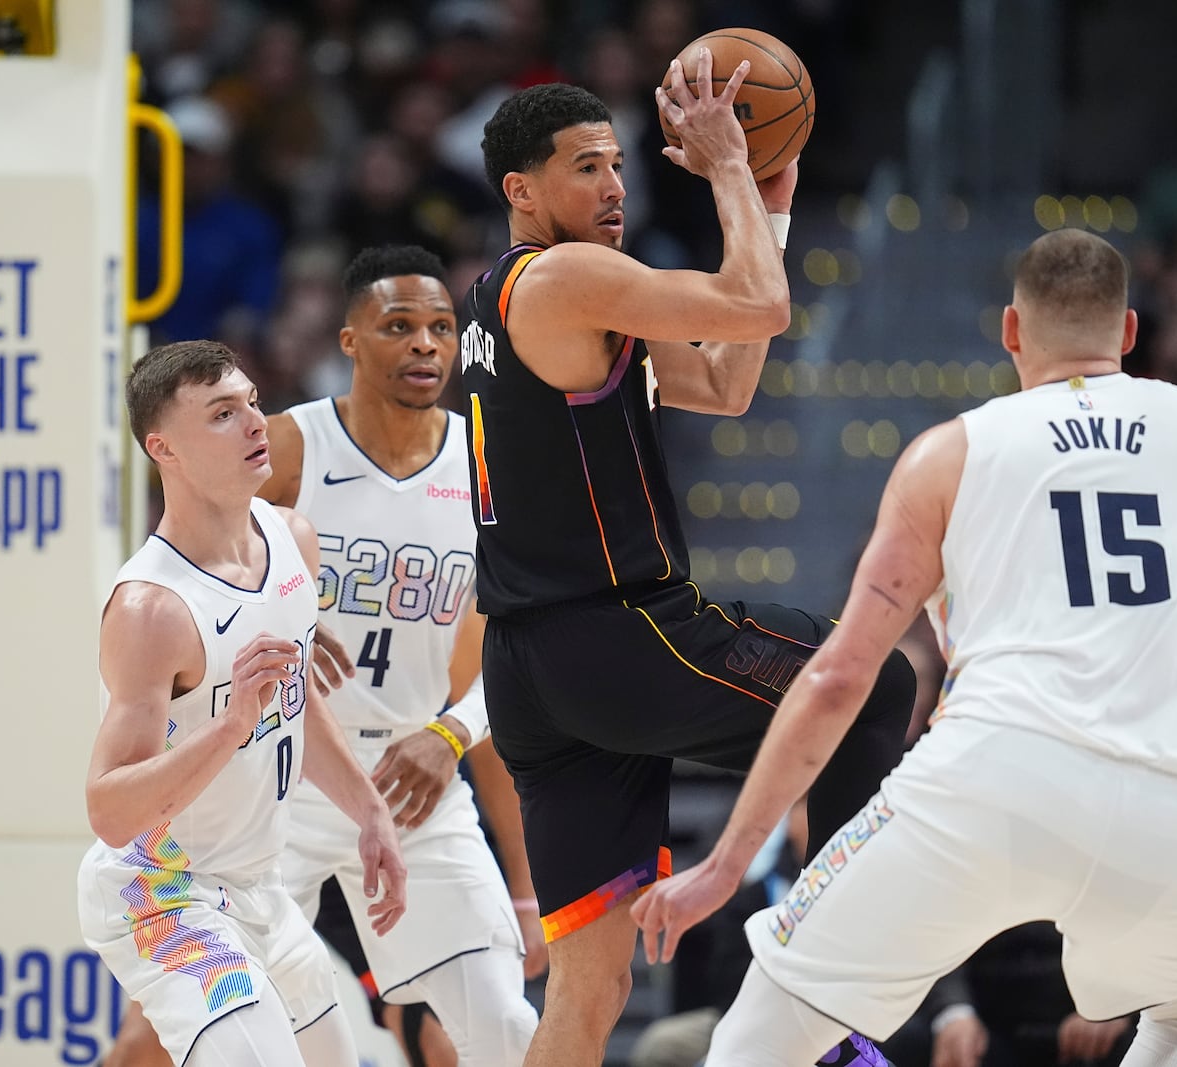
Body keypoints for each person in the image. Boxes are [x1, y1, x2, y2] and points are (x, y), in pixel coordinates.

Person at [633, 228, 1177, 1067]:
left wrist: (727, 860)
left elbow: (840, 674)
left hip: (992, 783)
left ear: (1010, 331)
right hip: (1173, 807)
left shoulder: (948, 456)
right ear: (1131, 332)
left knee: (765, 1024)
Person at [460, 54, 913, 1067]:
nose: (614, 187)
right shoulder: (568, 275)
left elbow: (723, 385)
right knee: (871, 684)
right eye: (585, 168)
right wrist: (730, 175)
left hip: (533, 668)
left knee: (589, 987)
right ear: (520, 193)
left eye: (617, 164)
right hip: (619, 631)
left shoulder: (516, 294)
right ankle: (827, 1000)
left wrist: (770, 211)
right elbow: (759, 308)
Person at [105, 246, 545, 1066]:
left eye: (442, 328)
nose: (425, 345)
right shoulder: (287, 448)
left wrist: (453, 736)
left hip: (417, 787)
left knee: (507, 1032)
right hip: (283, 789)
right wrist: (283, 621)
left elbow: (519, 652)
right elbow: (189, 591)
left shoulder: (489, 463)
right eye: (400, 326)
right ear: (349, 340)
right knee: (149, 1047)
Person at [75, 340, 407, 1066]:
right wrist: (230, 725)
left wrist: (369, 809)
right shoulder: (151, 608)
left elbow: (296, 705)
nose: (257, 422)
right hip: (166, 894)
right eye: (224, 413)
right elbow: (109, 810)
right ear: (165, 449)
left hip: (261, 886)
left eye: (252, 402)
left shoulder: (293, 539)